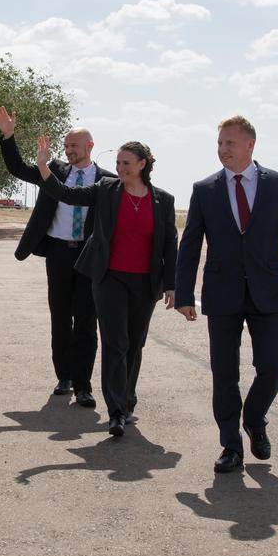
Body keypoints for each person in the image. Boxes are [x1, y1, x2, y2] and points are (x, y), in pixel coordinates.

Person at [174, 115, 278, 474]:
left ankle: (253, 417)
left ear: (250, 144)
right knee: (224, 373)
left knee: (272, 368)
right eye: (219, 143)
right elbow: (190, 244)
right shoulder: (204, 189)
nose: (222, 150)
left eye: (229, 144)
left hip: (268, 292)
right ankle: (231, 447)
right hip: (221, 294)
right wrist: (185, 293)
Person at [33, 136, 177, 437]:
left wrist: (171, 284)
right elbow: (66, 193)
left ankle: (127, 400)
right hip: (109, 278)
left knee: (135, 345)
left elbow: (168, 244)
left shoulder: (162, 199)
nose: (120, 168)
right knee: (116, 344)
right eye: (118, 163)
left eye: (126, 163)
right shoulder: (106, 190)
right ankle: (116, 411)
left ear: (142, 164)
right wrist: (43, 166)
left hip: (145, 282)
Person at [0, 106, 106, 409]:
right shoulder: (53, 171)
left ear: (89, 146)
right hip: (57, 253)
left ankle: (84, 386)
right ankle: (64, 377)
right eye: (66, 146)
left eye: (74, 146)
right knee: (60, 317)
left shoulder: (107, 181)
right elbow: (17, 168)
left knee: (86, 321)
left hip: (89, 257)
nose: (68, 151)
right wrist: (8, 136)